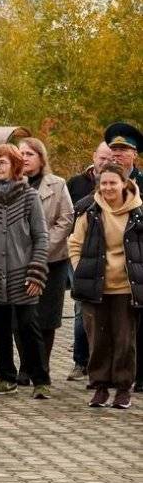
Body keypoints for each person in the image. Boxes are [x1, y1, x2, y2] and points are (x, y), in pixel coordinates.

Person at [0, 144, 51, 399]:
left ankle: (41, 380)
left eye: (2, 162)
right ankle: (6, 377)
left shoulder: (29, 196)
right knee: (1, 328)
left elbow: (41, 237)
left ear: (15, 166)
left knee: (28, 327)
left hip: (22, 273)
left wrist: (36, 272)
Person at [68, 163, 142, 410]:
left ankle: (123, 389)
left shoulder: (138, 212)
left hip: (126, 287)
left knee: (125, 340)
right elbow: (75, 244)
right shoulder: (89, 211)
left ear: (124, 184)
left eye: (114, 182)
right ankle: (99, 387)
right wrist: (81, 270)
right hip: (95, 286)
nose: (109, 187)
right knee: (97, 340)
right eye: (104, 183)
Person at [18, 137, 74, 382]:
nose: (25, 157)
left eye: (30, 153)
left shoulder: (58, 184)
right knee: (20, 317)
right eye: (20, 153)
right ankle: (25, 366)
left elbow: (66, 220)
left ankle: (42, 365)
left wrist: (42, 249)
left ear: (41, 157)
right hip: (18, 261)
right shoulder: (11, 185)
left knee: (46, 318)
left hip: (52, 262)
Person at [65, 141, 113, 381]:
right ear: (94, 157)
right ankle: (80, 361)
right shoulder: (76, 184)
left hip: (111, 258)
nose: (106, 162)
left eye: (110, 159)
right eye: (102, 158)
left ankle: (107, 364)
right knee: (81, 309)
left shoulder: (117, 184)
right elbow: (68, 218)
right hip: (82, 256)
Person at [104, 121, 143, 389]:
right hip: (113, 267)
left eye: (123, 150)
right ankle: (113, 375)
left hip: (139, 261)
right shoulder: (103, 184)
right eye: (113, 149)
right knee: (116, 326)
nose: (117, 154)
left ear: (134, 155)